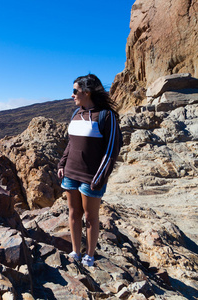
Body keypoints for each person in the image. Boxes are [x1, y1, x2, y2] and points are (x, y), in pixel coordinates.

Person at [57, 74, 121, 267]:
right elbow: (71, 144)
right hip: (70, 174)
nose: (72, 95)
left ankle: (90, 256)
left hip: (91, 177)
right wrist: (62, 164)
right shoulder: (76, 114)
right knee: (73, 213)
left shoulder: (106, 116)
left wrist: (100, 177)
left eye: (75, 91)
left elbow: (111, 150)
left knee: (91, 217)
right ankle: (75, 252)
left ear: (87, 92)